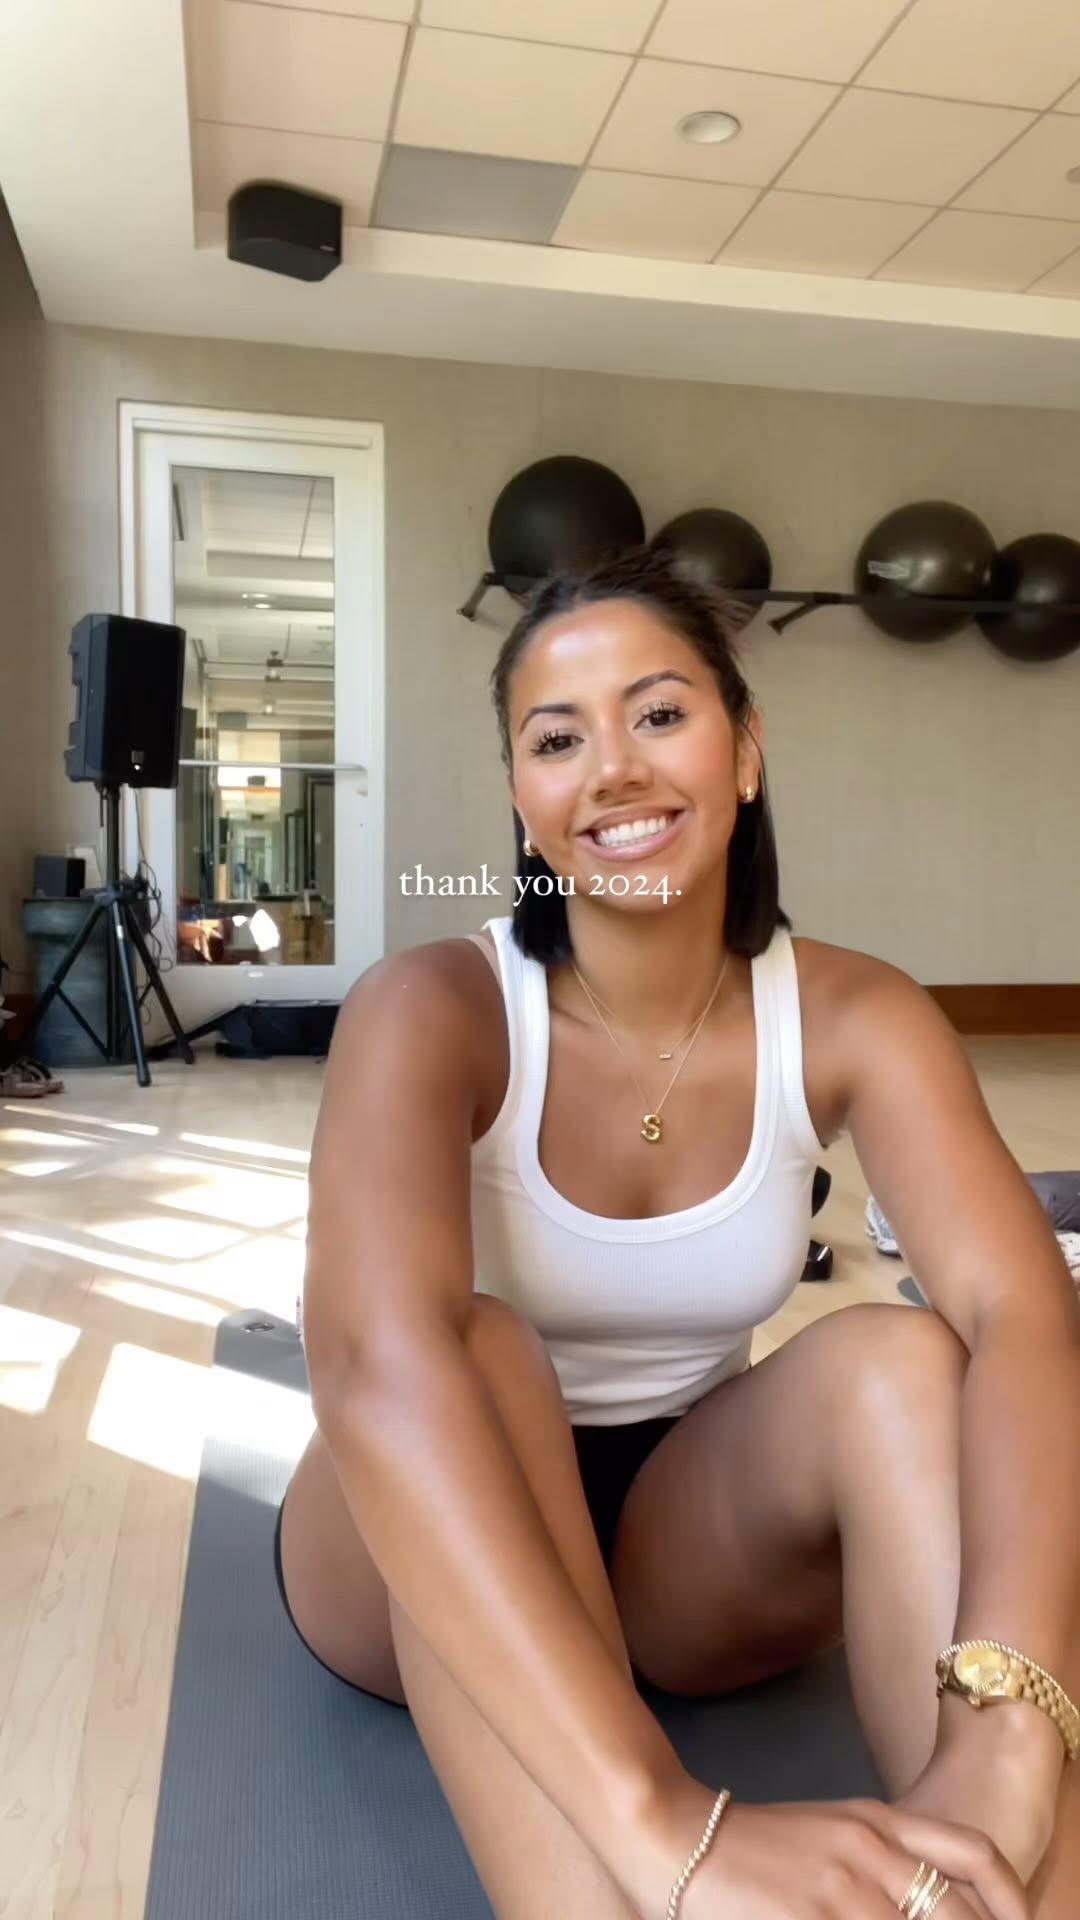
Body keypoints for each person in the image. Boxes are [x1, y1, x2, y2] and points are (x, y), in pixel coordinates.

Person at [279, 551, 1079, 1920]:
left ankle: (994, 1870)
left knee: (901, 1359)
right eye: (557, 740)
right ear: (523, 799)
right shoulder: (429, 1007)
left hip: (687, 1544)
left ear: (746, 751)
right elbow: (373, 1359)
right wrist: (669, 1824)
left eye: (658, 714)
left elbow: (1024, 1314)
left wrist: (1017, 1724)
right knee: (482, 1347)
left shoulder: (857, 1013)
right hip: (414, 1527)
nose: (613, 769)